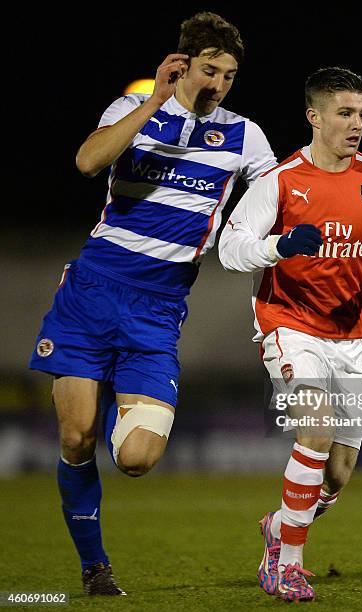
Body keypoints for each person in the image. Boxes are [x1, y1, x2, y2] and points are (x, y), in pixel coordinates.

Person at [29, 12, 276, 596]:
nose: (218, 83)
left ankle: (119, 394)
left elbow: (277, 196)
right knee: (74, 439)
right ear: (183, 64)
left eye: (230, 74)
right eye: (209, 70)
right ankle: (95, 569)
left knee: (137, 458)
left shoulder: (245, 136)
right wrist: (154, 102)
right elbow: (89, 162)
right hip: (92, 291)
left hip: (158, 308)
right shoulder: (131, 110)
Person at [218, 66, 362, 601]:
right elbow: (230, 249)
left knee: (338, 474)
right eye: (345, 113)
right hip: (289, 324)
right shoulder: (279, 181)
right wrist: (279, 247)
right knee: (315, 431)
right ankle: (287, 565)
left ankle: (279, 526)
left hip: (351, 335)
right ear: (314, 116)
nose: (356, 124)